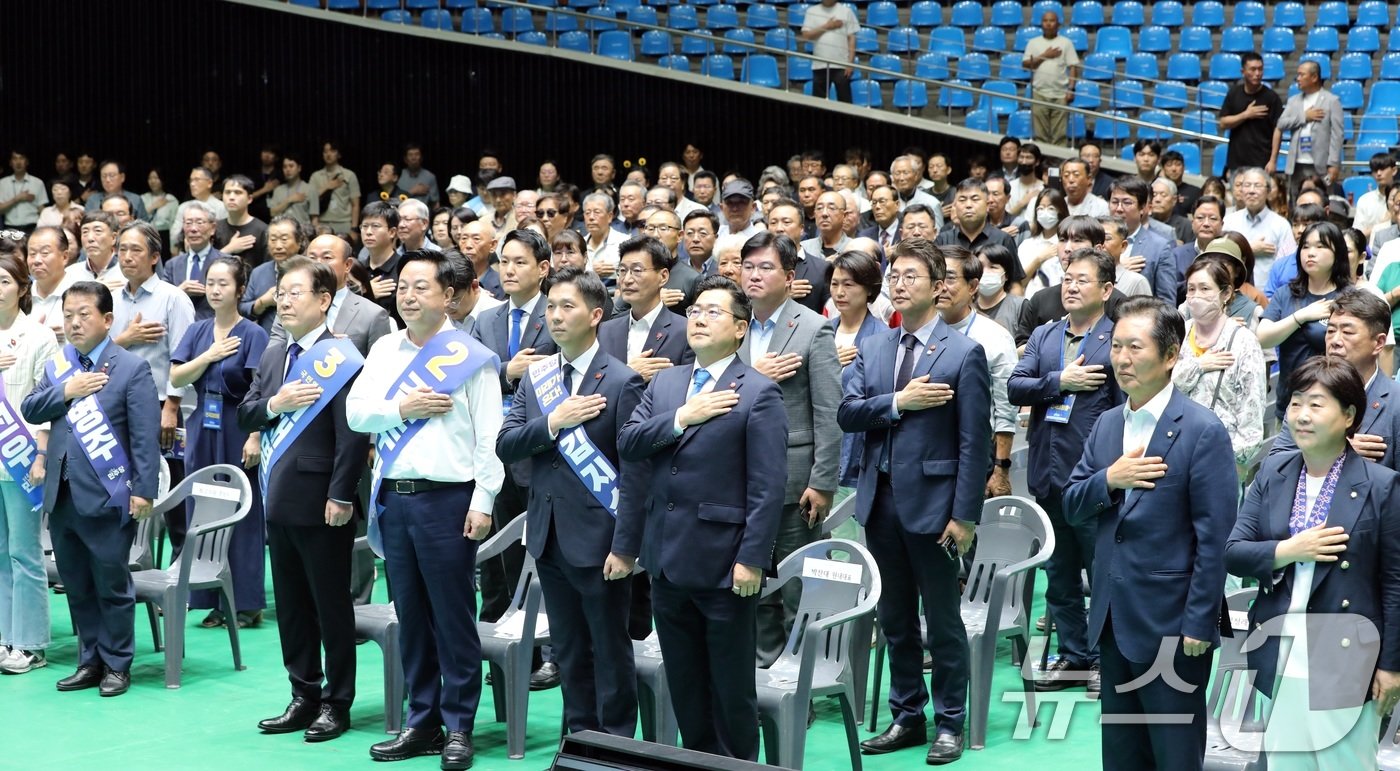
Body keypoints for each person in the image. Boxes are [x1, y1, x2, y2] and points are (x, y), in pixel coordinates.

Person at [1062, 297, 1238, 771]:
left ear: (1170, 355)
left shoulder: (1202, 431)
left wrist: (1199, 623)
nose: (1121, 358)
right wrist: (1109, 480)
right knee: (1122, 756)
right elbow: (1072, 503)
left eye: (1134, 347)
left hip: (1173, 628)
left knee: (1174, 755)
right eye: (1116, 346)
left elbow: (1214, 539)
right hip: (1113, 621)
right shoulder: (1105, 425)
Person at [616, 275, 787, 761]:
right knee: (686, 683)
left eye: (713, 311)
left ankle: (737, 764)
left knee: (731, 687)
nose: (698, 317)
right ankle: (699, 760)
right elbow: (629, 442)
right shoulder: (668, 382)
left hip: (724, 562)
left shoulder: (758, 392)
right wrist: (682, 418)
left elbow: (767, 487)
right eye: (694, 310)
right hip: (667, 558)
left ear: (740, 329)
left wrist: (752, 558)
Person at [344, 251, 502, 769]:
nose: (408, 296)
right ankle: (422, 721)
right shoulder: (386, 348)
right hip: (394, 498)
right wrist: (402, 409)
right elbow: (357, 412)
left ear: (448, 296)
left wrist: (483, 501)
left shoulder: (470, 355)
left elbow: (489, 439)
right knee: (410, 615)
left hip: (449, 501)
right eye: (403, 287)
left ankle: (459, 726)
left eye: (421, 287)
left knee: (452, 616)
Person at [839, 237, 991, 764]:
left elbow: (975, 443)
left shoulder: (963, 351)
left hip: (935, 506)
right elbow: (850, 413)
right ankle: (907, 715)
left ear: (938, 285)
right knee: (895, 619)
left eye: (912, 276)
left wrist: (965, 516)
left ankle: (950, 721)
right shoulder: (876, 343)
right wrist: (898, 402)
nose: (900, 284)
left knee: (942, 621)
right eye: (895, 275)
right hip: (879, 502)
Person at [1227, 355, 1400, 768]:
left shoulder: (1380, 486)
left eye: (1316, 404)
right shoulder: (1273, 472)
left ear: (1348, 416)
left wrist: (1392, 666)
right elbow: (1234, 551)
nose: (1302, 415)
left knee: (1345, 762)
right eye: (1295, 403)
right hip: (1281, 645)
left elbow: (1395, 584)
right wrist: (1289, 550)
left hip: (1347, 654)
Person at [497, 265, 644, 737]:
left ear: (596, 314)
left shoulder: (622, 381)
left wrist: (626, 547)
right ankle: (577, 742)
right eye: (551, 307)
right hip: (548, 536)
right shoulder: (537, 376)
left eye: (567, 307)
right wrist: (554, 422)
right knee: (568, 649)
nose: (555, 316)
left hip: (602, 541)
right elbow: (507, 443)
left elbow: (635, 473)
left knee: (608, 647)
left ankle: (616, 746)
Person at [240, 256, 365, 743]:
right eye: (281, 292)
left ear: (323, 300)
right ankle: (303, 693)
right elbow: (247, 414)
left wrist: (341, 494)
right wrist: (275, 404)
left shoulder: (341, 356)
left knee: (331, 605)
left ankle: (338, 702)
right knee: (291, 604)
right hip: (278, 498)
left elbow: (351, 435)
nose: (285, 301)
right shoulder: (275, 355)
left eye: (295, 292)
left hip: (322, 501)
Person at [21, 281, 161, 696]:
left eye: (84, 314)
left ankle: (118, 665)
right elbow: (30, 407)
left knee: (112, 584)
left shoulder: (131, 369)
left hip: (109, 494)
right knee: (77, 583)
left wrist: (144, 491)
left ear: (106, 319)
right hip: (61, 495)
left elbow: (144, 437)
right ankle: (90, 661)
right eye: (68, 315)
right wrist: (67, 390)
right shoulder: (59, 365)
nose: (75, 322)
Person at [1009, 247, 1122, 695]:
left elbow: (1125, 410)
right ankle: (1074, 656)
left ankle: (1102, 660)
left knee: (1101, 573)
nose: (1070, 286)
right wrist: (1059, 382)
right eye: (1067, 278)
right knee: (1059, 576)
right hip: (1048, 474)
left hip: (1096, 478)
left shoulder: (1118, 338)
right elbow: (1017, 386)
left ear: (1107, 290)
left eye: (1082, 279)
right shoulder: (1044, 335)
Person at [736, 232, 842, 666]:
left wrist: (822, 482)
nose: (754, 275)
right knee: (753, 583)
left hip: (795, 480)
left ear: (789, 276)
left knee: (799, 585)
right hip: (739, 475)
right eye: (748, 266)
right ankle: (764, 668)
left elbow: (829, 412)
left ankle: (803, 680)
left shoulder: (813, 328)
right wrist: (751, 373)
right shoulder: (734, 324)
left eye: (765, 267)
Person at [468, 229, 559, 685]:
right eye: (504, 261)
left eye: (520, 262)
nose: (508, 269)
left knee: (544, 553)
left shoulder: (558, 311)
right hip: (495, 453)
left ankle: (549, 651)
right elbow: (478, 378)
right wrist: (508, 371)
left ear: (543, 269)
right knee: (499, 555)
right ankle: (503, 647)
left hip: (545, 453)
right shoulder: (487, 318)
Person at [170, 257, 269, 629]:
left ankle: (246, 603)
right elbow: (177, 376)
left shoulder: (254, 334)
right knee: (205, 508)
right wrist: (209, 356)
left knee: (242, 512)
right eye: (210, 282)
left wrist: (256, 435)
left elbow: (260, 391)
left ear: (240, 289)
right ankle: (209, 597)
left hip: (238, 425)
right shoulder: (197, 331)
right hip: (201, 427)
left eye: (223, 283)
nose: (214, 289)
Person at [0, 254, 59, 674]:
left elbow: (51, 404)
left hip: (20, 462)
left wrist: (40, 454)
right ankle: (5, 637)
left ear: (22, 288)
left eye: (3, 281)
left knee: (24, 553)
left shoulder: (39, 338)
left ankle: (32, 644)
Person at [1271, 290, 1400, 474]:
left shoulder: (1396, 402)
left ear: (1379, 343)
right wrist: (1334, 452)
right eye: (1330, 331)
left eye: (1347, 332)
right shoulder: (1306, 394)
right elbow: (1275, 461)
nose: (1335, 341)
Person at [1173, 256, 1268, 477]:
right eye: (1191, 289)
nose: (1196, 297)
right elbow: (1165, 385)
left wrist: (1232, 460)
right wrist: (1199, 365)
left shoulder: (1243, 342)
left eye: (1205, 289)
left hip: (1223, 460)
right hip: (1175, 453)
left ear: (1225, 294)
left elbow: (1251, 412)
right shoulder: (1180, 333)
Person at [939, 246, 1018, 499]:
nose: (940, 286)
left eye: (950, 278)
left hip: (975, 453)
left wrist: (1000, 468)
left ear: (973, 286)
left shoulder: (994, 337)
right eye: (935, 277)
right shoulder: (918, 331)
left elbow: (1005, 407)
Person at [1257, 221, 1353, 422]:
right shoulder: (1286, 293)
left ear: (1338, 252)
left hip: (1334, 405)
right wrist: (1302, 316)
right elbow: (1263, 338)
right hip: (1290, 401)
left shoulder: (1350, 297)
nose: (1310, 253)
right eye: (1305, 246)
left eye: (1320, 246)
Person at [827, 250, 887, 489]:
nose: (839, 292)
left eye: (849, 284)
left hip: (859, 450)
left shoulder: (883, 337)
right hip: (822, 447)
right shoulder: (822, 331)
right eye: (834, 284)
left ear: (869, 289)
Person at [598, 236, 693, 386]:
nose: (627, 279)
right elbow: (596, 386)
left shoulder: (685, 330)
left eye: (637, 270)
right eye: (622, 270)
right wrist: (629, 373)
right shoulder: (606, 329)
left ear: (663, 276)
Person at [1275, 61, 1344, 201]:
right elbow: (1281, 123)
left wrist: (1334, 164)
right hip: (1296, 164)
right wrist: (1304, 117)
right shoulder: (1293, 101)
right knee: (1295, 201)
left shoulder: (1332, 101)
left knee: (1322, 200)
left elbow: (1337, 135)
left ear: (1314, 77)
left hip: (1321, 164)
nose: (1298, 79)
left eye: (1301, 75)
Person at [1107, 177, 1177, 303]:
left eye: (1127, 203)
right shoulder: (1096, 239)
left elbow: (1166, 302)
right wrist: (1118, 268)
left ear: (1143, 208)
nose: (1119, 208)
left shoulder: (1159, 247)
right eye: (1114, 202)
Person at [1225, 167, 1299, 284]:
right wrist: (1249, 250)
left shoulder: (1281, 225)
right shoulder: (1229, 221)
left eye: (1258, 185)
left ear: (1268, 191)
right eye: (1247, 185)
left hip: (1268, 296)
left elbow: (1289, 265)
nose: (1251, 190)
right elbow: (1220, 258)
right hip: (1233, 294)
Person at [1220, 52, 1283, 174]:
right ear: (1243, 71)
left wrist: (1273, 160)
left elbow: (1278, 130)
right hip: (1236, 163)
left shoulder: (1272, 97)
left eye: (1260, 69)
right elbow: (1223, 123)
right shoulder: (1234, 93)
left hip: (1262, 163)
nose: (1257, 74)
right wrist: (1246, 115)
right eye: (1253, 69)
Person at [162, 201, 227, 320]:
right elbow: (160, 302)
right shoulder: (172, 265)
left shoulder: (227, 262)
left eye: (199, 223)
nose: (193, 229)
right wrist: (180, 291)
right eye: (188, 223)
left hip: (214, 329)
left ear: (212, 228)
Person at [1024, 10, 1078, 146]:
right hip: (1039, 93)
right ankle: (1043, 166)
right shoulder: (1033, 42)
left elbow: (1073, 67)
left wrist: (1071, 89)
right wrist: (1045, 55)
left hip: (1060, 94)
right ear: (1041, 24)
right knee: (1040, 136)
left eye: (1052, 20)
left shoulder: (1066, 42)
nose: (1048, 24)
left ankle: (1057, 166)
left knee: (1059, 136)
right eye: (1045, 21)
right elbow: (1025, 64)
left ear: (1058, 24)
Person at [1018, 188, 1069, 297]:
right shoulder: (1027, 245)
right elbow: (1020, 282)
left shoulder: (1069, 245)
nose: (1045, 212)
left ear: (1061, 211)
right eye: (1040, 208)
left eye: (1051, 208)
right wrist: (1039, 259)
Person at [973, 242, 1026, 335]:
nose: (985, 272)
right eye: (980, 267)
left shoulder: (1020, 306)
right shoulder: (966, 306)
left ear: (1006, 275)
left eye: (993, 267)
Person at [0, 150, 48, 232]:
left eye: (21, 158)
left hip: (33, 227)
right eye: (15, 159)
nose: (18, 162)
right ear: (10, 163)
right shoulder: (2, 183)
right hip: (10, 228)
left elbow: (41, 209)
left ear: (27, 162)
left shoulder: (38, 182)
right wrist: (17, 199)